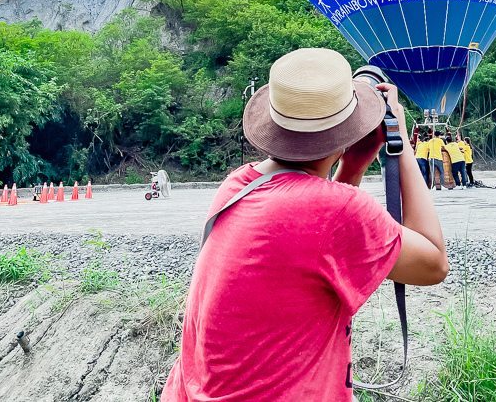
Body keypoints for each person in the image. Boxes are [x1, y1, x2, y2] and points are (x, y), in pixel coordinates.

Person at [161, 48, 448, 402]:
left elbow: (315, 234)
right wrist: (400, 144)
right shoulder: (337, 210)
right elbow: (434, 263)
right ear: (346, 131)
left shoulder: (236, 185)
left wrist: (353, 166)